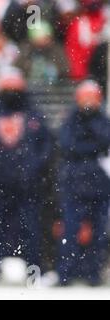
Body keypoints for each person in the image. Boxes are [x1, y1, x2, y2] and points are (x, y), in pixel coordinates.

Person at [0, 67, 54, 281]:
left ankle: (34, 273)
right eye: (8, 87)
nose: (11, 92)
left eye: (15, 87)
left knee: (32, 230)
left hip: (27, 184)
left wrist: (33, 167)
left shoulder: (33, 113)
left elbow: (47, 146)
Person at [56, 80, 110, 286]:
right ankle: (66, 273)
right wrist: (92, 145)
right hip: (74, 184)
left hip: (99, 186)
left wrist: (88, 141)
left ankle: (93, 273)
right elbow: (68, 145)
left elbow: (104, 140)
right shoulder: (71, 120)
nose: (88, 102)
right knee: (70, 230)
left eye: (92, 97)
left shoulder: (102, 120)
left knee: (98, 232)